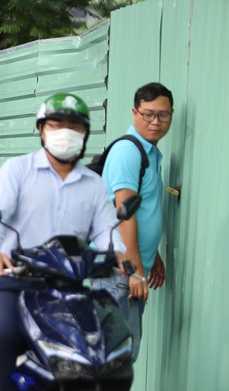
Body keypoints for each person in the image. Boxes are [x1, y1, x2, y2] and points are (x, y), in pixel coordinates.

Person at [0, 93, 126, 391]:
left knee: (108, 341)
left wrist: (118, 253)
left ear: (86, 135)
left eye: (74, 126)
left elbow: (106, 230)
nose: (65, 133)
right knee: (5, 335)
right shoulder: (18, 170)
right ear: (42, 130)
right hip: (14, 279)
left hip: (69, 283)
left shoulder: (92, 183)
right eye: (57, 125)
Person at [91, 82, 172, 363]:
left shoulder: (147, 153)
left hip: (124, 268)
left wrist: (153, 255)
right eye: (148, 113)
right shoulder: (129, 152)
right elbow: (124, 212)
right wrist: (136, 270)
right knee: (116, 357)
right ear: (134, 112)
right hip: (118, 271)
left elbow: (142, 210)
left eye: (163, 115)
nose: (155, 121)